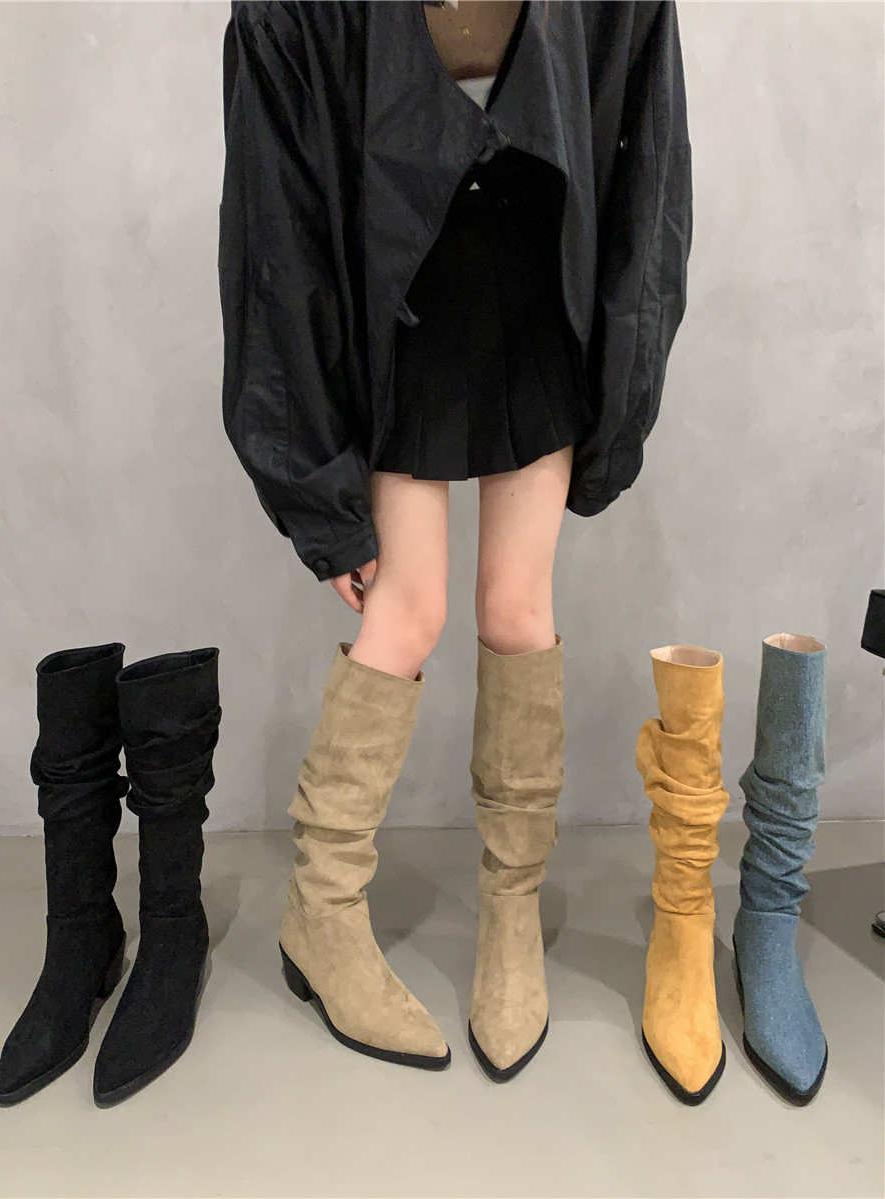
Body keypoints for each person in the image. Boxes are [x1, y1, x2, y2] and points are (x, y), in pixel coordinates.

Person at [218, 0, 692, 1080]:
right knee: (408, 607)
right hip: (402, 304)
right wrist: (318, 487)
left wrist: (624, 380)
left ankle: (512, 909)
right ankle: (322, 907)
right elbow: (274, 221)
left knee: (518, 608)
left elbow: (648, 160)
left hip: (539, 287)